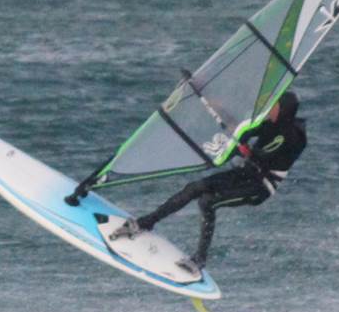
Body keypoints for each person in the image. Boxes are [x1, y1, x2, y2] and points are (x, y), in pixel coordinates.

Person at [115, 91, 306, 270]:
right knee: (194, 188)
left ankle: (199, 259)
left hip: (260, 186)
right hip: (245, 173)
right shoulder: (270, 124)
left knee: (208, 202)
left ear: (284, 110)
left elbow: (265, 155)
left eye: (275, 106)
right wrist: (213, 104)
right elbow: (240, 129)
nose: (270, 107)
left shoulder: (293, 137)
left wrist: (248, 152)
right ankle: (146, 222)